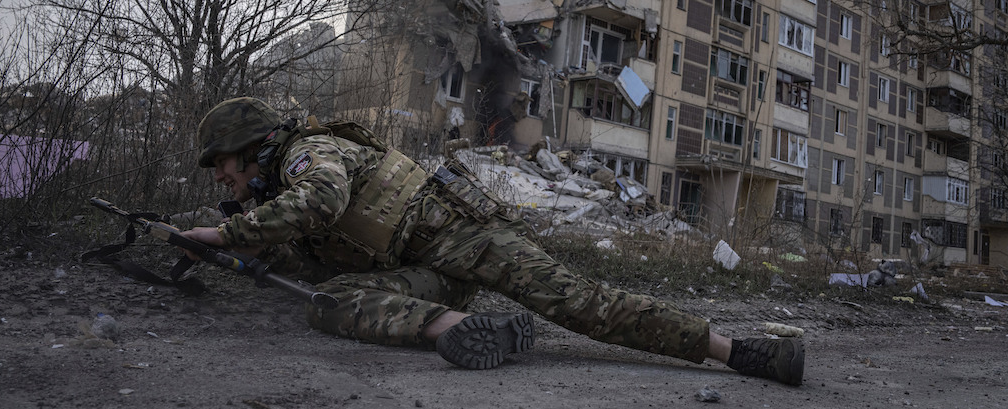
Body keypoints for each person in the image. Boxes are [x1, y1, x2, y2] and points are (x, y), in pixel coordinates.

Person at [181, 97, 805, 384]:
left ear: (253, 148)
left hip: (468, 239)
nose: (221, 177)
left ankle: (740, 352)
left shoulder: (304, 156)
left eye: (223, 163)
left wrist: (227, 230)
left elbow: (323, 199)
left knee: (582, 303)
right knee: (327, 301)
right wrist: (250, 249)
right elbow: (328, 254)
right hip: (429, 275)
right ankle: (458, 328)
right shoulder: (276, 189)